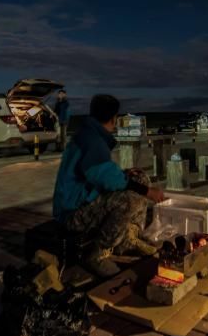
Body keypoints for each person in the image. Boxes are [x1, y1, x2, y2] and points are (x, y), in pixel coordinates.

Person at [53, 94, 167, 277]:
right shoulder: (92, 140)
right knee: (130, 199)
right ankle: (98, 253)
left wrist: (126, 175)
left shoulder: (89, 134)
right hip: (72, 213)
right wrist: (147, 191)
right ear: (114, 118)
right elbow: (106, 178)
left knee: (140, 178)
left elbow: (100, 173)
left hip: (84, 198)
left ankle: (128, 238)